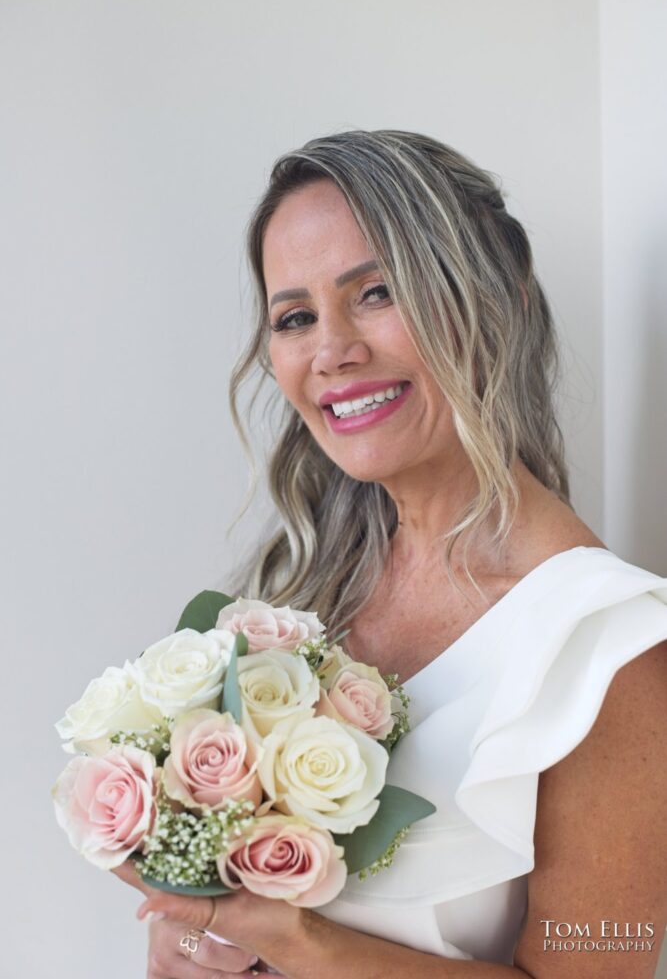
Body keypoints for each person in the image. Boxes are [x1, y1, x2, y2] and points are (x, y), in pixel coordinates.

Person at [115, 130, 667, 978]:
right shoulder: (302, 598)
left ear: (500, 298)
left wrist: (303, 946)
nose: (330, 350)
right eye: (295, 317)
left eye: (375, 293)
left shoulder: (605, 650)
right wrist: (190, 931)